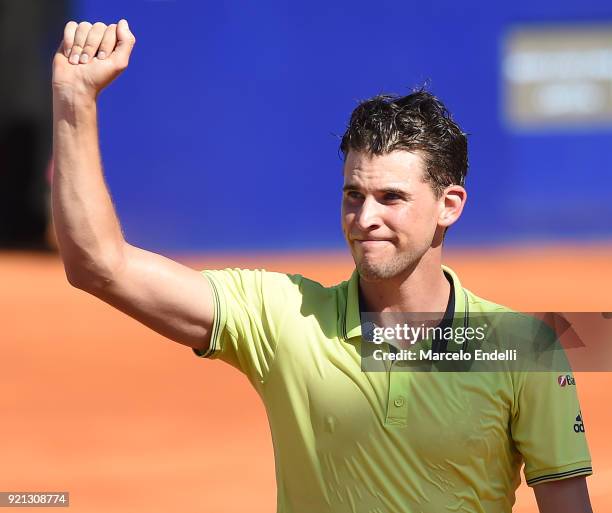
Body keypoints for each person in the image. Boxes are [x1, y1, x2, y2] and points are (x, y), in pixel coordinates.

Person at [52, 19, 594, 513]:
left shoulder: (528, 350)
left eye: (391, 197)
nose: (366, 217)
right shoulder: (281, 316)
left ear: (448, 206)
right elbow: (99, 264)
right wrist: (75, 101)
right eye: (353, 195)